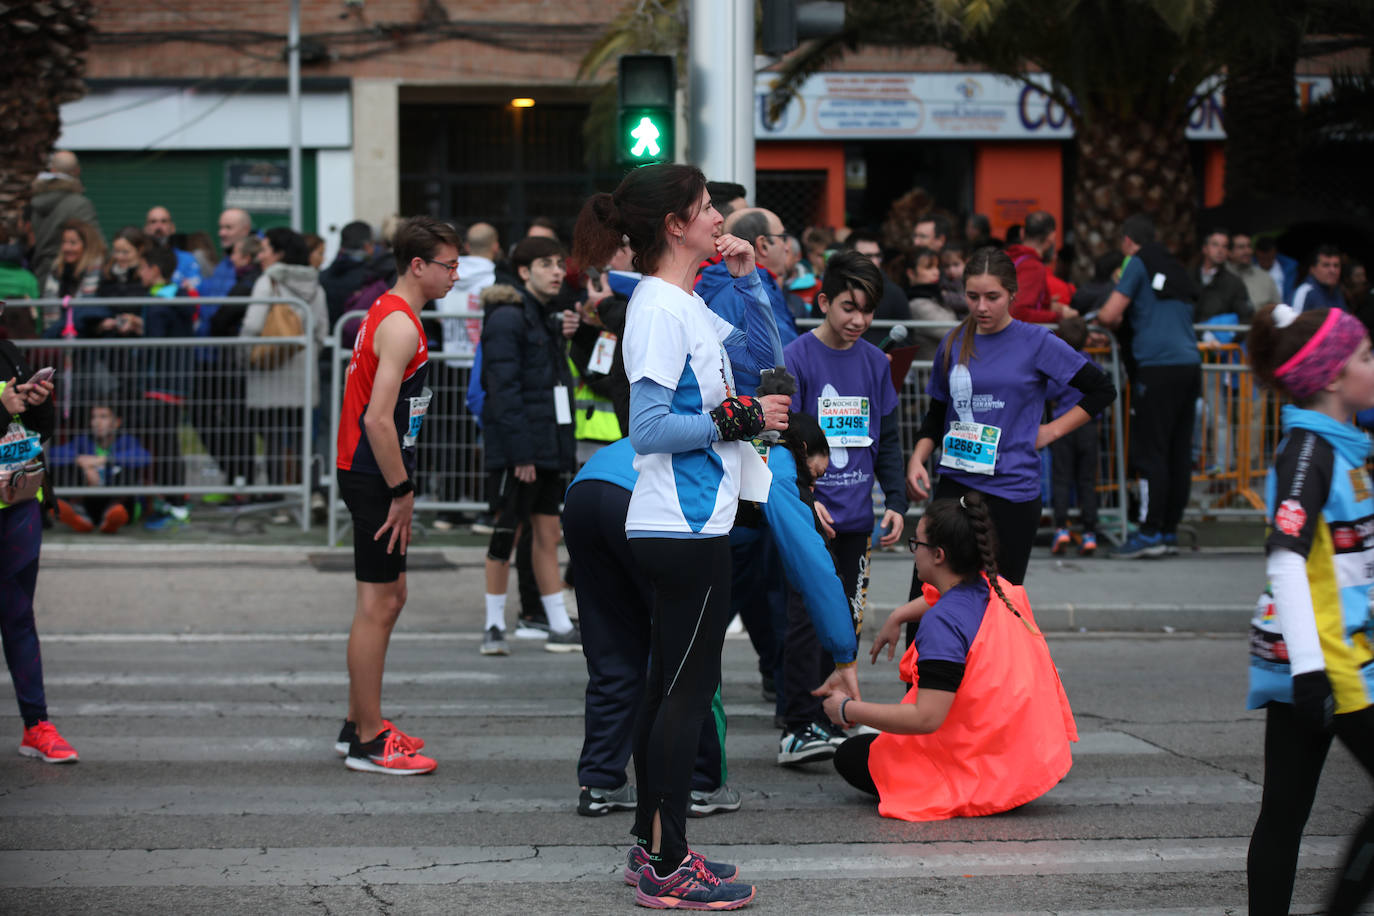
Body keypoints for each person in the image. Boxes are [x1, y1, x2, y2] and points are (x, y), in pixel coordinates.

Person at [571, 162, 791, 910]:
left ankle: (653, 848)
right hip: (684, 522)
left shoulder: (681, 299)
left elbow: (767, 355)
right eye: (705, 211)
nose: (717, 221)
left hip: (692, 519)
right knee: (684, 697)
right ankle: (668, 862)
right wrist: (741, 420)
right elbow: (651, 428)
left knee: (669, 689)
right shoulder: (661, 308)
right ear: (674, 225)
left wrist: (750, 278)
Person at [816, 493, 1077, 820]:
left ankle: (975, 790)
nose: (914, 553)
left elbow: (927, 719)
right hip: (1027, 762)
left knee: (851, 755)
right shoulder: (996, 589)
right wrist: (898, 616)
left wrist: (846, 708)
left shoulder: (943, 625)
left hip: (987, 775)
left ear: (938, 555)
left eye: (917, 544)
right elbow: (936, 601)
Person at [1243, 303, 1374, 916]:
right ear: (1330, 378)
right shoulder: (1308, 451)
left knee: (1286, 811)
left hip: (1325, 657)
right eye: (1367, 358)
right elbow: (1286, 557)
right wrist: (1310, 673)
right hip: (1329, 664)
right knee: (1284, 813)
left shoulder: (1347, 445)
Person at [906, 247, 1116, 586]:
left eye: (993, 297)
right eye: (972, 296)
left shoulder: (1036, 341)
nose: (981, 307)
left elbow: (1102, 389)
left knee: (998, 606)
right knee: (928, 597)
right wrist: (917, 459)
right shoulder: (953, 341)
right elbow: (936, 415)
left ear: (1012, 295)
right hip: (956, 484)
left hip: (1011, 491)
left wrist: (1050, 431)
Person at [334, 216, 459, 775]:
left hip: (368, 470)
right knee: (378, 603)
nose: (456, 275)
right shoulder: (400, 324)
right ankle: (365, 739)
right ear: (418, 265)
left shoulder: (385, 312)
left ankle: (360, 720)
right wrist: (402, 490)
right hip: (374, 473)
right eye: (448, 265)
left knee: (391, 596)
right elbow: (379, 420)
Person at [780, 251, 905, 762]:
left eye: (868, 310)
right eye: (849, 307)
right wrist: (805, 501)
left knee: (847, 621)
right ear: (825, 301)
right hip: (809, 520)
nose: (858, 320)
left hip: (856, 520)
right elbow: (784, 441)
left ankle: (834, 714)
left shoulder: (877, 362)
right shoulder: (797, 358)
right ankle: (796, 725)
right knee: (807, 620)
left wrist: (895, 499)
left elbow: (889, 438)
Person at [477, 237, 581, 655]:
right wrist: (521, 453)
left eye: (560, 263)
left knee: (547, 531)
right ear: (524, 272)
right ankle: (493, 625)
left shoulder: (543, 317)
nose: (557, 271)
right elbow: (502, 390)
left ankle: (557, 622)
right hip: (520, 450)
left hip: (546, 445)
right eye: (545, 264)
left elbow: (550, 387)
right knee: (507, 531)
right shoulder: (507, 317)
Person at [1096, 213, 1202, 558]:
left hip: (1157, 368)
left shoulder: (1137, 264)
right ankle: (1169, 531)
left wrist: (1100, 321)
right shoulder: (1176, 267)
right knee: (1177, 452)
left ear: (1128, 242)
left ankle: (1149, 532)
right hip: (1190, 365)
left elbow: (1111, 314)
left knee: (1151, 451)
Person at [0, 305, 73, 762]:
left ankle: (36, 724)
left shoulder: (8, 352)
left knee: (19, 615)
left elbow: (35, 432)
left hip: (17, 500)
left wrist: (38, 403)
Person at [240, 227, 329, 495]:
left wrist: (245, 355)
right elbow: (322, 331)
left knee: (274, 439)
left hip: (269, 374)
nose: (259, 256)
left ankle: (276, 496)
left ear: (279, 253)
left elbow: (253, 325)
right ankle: (311, 493)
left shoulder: (268, 282)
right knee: (305, 439)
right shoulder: (315, 285)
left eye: (265, 249)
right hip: (304, 375)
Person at [1047, 316, 1102, 556]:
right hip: (1089, 427)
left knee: (1061, 479)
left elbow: (1050, 392)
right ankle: (1089, 533)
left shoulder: (1059, 366)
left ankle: (1061, 529)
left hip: (1063, 427)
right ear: (1087, 339)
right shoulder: (1094, 366)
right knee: (1087, 481)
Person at [51, 403, 148, 534]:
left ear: (116, 422)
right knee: (67, 466)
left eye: (103, 417)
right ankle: (80, 514)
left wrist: (104, 460)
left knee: (127, 470)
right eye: (94, 417)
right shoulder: (84, 441)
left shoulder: (126, 440)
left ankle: (112, 515)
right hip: (89, 500)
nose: (97, 422)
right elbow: (53, 454)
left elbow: (144, 457)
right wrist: (80, 461)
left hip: (120, 504)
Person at [29, 151, 100, 282]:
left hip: (38, 271)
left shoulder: (33, 202)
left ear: (52, 169)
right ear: (77, 171)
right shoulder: (80, 204)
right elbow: (95, 242)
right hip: (68, 276)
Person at [1006, 211, 1076, 324]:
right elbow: (1018, 312)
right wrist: (1059, 316)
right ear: (1051, 237)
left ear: (1022, 233)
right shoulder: (1033, 267)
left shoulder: (1007, 257)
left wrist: (1046, 304)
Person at [1195, 228, 1254, 324]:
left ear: (1228, 252)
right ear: (1205, 248)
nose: (1220, 250)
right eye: (1215, 245)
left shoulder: (1234, 283)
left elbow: (1245, 317)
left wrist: (1227, 335)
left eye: (1224, 246)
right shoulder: (1188, 277)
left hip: (1218, 338)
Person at [41, 219, 104, 301]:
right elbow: (49, 301)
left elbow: (86, 301)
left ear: (87, 245)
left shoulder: (96, 267)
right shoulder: (57, 268)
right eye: (64, 242)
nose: (66, 248)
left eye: (73, 243)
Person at [142, 206, 201, 292]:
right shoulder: (141, 259)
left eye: (164, 221)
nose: (158, 226)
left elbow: (195, 291)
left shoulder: (187, 259)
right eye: (153, 222)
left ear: (172, 228)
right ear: (146, 228)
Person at [199, 209, 253, 299]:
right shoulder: (226, 260)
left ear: (245, 230)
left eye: (229, 228)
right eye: (221, 227)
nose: (221, 233)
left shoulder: (260, 261)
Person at [1227, 231, 1281, 312]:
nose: (1247, 251)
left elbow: (1278, 310)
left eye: (1249, 246)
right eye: (1241, 247)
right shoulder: (1219, 276)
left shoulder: (1265, 277)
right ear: (1229, 252)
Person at [1292, 244, 1347, 313]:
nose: (1332, 271)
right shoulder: (1304, 292)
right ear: (1312, 269)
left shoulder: (1337, 292)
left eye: (1336, 266)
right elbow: (1294, 322)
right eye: (1326, 265)